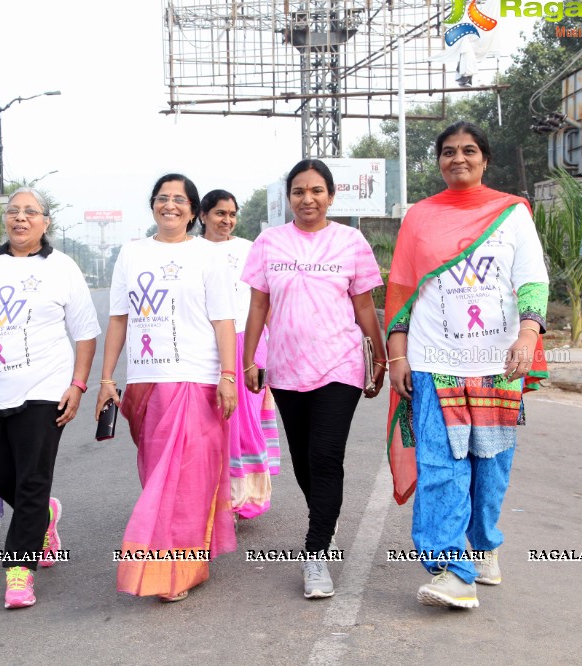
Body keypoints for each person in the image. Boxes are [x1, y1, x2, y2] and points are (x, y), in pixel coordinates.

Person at [384, 121, 549, 609]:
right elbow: (403, 292)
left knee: (490, 465)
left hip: (497, 364)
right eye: (449, 151)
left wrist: (528, 334)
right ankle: (453, 570)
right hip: (435, 361)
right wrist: (397, 354)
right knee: (441, 464)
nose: (459, 158)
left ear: (485, 159)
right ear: (438, 161)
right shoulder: (420, 217)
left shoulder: (512, 213)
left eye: (469, 150)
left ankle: (483, 545)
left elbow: (532, 280)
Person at [0, 187, 100, 610]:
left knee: (31, 480)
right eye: (13, 211)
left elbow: (85, 333)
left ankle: (19, 571)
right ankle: (43, 515)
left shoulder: (62, 268)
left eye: (31, 212)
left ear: (46, 222)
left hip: (45, 388)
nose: (21, 219)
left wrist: (78, 385)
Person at [241, 159, 386, 600]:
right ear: (289, 197)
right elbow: (258, 308)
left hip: (339, 367)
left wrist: (379, 356)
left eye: (317, 190)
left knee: (325, 457)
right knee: (305, 460)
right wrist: (248, 360)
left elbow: (364, 308)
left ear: (331, 196)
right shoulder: (269, 243)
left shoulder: (350, 241)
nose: (308, 199)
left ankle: (316, 552)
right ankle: (328, 516)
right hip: (286, 369)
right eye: (299, 191)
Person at [96, 173, 238, 603]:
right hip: (145, 382)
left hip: (197, 378)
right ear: (153, 205)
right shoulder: (132, 253)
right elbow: (118, 318)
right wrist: (106, 379)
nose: (169, 205)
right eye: (162, 198)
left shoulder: (206, 255)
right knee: (158, 473)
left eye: (179, 199)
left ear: (193, 211)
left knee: (185, 478)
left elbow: (224, 321)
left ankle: (175, 568)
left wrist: (228, 376)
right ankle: (186, 554)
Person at [198, 189, 279, 520]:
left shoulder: (250, 249)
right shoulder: (192, 252)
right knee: (211, 417)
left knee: (242, 416)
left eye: (232, 214)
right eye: (219, 213)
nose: (226, 220)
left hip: (249, 340)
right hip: (206, 341)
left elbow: (265, 300)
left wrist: (271, 345)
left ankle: (244, 495)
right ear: (202, 215)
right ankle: (213, 494)